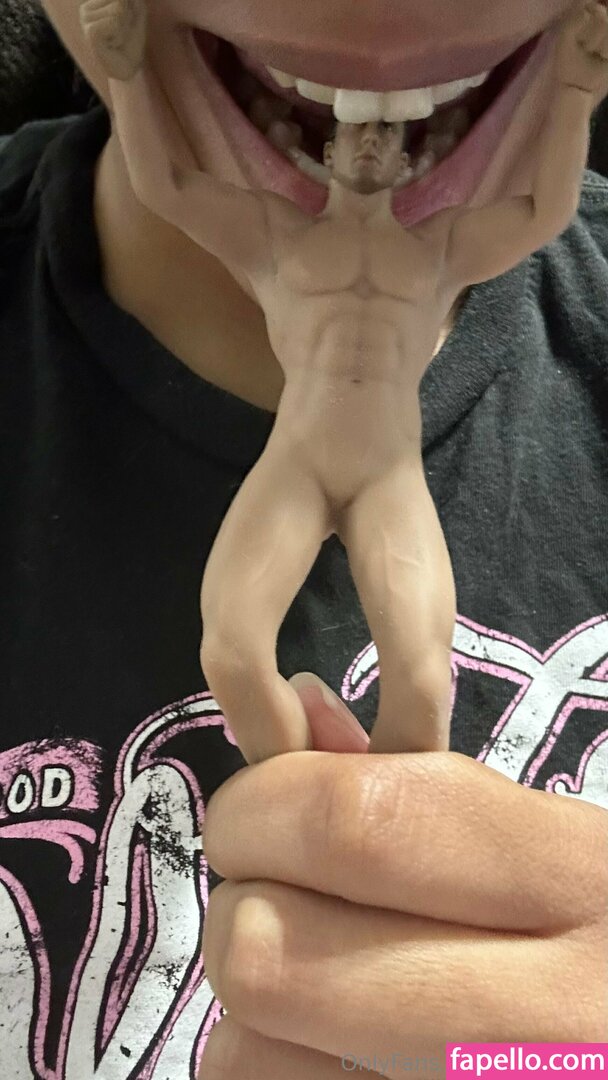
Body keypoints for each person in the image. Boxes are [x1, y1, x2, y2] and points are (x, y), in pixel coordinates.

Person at [0, 1, 606, 1077]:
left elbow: (540, 199)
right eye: (344, 141)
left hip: (383, 474)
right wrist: (138, 72)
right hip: (296, 474)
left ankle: (390, 827)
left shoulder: (443, 240)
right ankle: (292, 804)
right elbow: (178, 178)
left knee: (419, 666)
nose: (360, 148)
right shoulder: (281, 239)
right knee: (234, 641)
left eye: (383, 145)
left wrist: (571, 87)